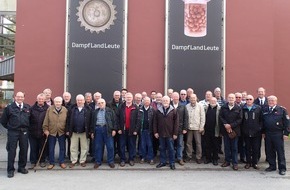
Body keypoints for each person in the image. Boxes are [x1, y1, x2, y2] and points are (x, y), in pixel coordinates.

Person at [1, 92, 30, 178]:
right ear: (15, 97)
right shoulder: (9, 108)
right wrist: (11, 127)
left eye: (21, 97)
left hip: (24, 132)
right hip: (13, 132)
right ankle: (10, 170)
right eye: (18, 96)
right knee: (12, 151)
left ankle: (21, 168)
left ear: (24, 98)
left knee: (24, 150)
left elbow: (30, 119)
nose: (20, 98)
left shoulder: (27, 107)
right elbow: (3, 121)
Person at [262, 95, 289, 175]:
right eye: (269, 100)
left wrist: (286, 133)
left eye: (272, 100)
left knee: (280, 151)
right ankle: (272, 166)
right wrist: (263, 132)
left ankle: (282, 168)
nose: (271, 102)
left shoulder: (282, 110)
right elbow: (263, 122)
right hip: (268, 133)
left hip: (278, 133)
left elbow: (287, 123)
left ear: (276, 101)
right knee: (269, 150)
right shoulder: (265, 110)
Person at [67, 94, 92, 168]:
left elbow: (91, 121)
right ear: (76, 101)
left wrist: (90, 131)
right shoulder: (72, 109)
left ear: (84, 101)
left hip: (84, 132)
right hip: (74, 132)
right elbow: (68, 120)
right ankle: (73, 161)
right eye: (78, 100)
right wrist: (68, 130)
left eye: (81, 100)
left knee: (84, 147)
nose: (79, 101)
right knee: (73, 147)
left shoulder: (89, 109)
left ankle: (82, 161)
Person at [154, 96, 179, 170]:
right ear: (161, 101)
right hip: (161, 133)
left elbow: (176, 123)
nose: (165, 101)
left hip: (170, 134)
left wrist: (175, 133)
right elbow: (155, 122)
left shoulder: (173, 110)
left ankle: (172, 163)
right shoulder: (158, 110)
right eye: (164, 100)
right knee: (162, 148)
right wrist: (155, 132)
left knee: (171, 149)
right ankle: (163, 162)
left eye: (166, 100)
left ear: (169, 101)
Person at [43, 96, 68, 170]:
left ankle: (62, 162)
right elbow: (46, 120)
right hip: (52, 131)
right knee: (51, 148)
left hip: (61, 131)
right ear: (54, 102)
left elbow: (67, 121)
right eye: (56, 102)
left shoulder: (65, 109)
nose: (58, 103)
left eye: (59, 102)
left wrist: (67, 130)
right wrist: (45, 129)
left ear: (61, 102)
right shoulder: (49, 109)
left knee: (62, 148)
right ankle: (51, 163)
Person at [91, 98, 117, 169]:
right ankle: (98, 162)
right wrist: (92, 132)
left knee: (110, 147)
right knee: (98, 147)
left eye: (102, 103)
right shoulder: (95, 112)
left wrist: (114, 130)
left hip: (107, 130)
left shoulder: (110, 111)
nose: (101, 104)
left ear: (105, 103)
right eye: (99, 103)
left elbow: (114, 121)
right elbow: (92, 122)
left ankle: (110, 161)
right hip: (98, 130)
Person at [219, 93, 243, 170]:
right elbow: (221, 117)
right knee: (226, 147)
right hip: (225, 130)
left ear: (235, 99)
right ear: (227, 99)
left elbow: (240, 119)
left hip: (234, 131)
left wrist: (231, 125)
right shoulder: (223, 107)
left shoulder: (238, 108)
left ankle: (235, 163)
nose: (231, 99)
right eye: (229, 98)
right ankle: (227, 161)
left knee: (234, 147)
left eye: (232, 98)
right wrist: (225, 124)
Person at [117, 92, 139, 167]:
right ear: (124, 98)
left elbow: (138, 120)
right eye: (127, 97)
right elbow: (117, 118)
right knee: (122, 145)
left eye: (130, 97)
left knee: (132, 145)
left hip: (132, 131)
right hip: (122, 130)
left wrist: (136, 130)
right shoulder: (121, 106)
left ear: (132, 98)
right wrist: (119, 128)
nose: (128, 99)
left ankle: (131, 159)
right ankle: (122, 160)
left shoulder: (136, 107)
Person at [241, 95, 262, 170]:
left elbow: (261, 120)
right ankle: (248, 162)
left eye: (250, 99)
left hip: (256, 133)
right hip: (246, 132)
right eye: (247, 99)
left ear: (253, 100)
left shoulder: (258, 108)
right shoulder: (243, 108)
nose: (249, 100)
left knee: (256, 148)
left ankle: (255, 163)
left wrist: (259, 128)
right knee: (247, 148)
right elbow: (241, 120)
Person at [29, 93, 49, 168]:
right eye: (39, 99)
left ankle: (42, 161)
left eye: (42, 99)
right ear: (37, 99)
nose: (40, 100)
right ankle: (33, 161)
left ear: (44, 100)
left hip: (43, 132)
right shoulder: (31, 108)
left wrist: (47, 130)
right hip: (32, 132)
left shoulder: (48, 108)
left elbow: (49, 121)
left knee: (43, 147)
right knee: (33, 148)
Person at [185, 94, 205, 164]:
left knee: (198, 143)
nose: (193, 99)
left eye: (194, 98)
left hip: (197, 128)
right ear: (189, 99)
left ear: (196, 98)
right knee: (188, 143)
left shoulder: (200, 106)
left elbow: (203, 117)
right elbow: (185, 118)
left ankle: (198, 157)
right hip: (189, 128)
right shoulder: (187, 106)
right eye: (191, 98)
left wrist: (201, 127)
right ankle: (189, 156)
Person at [171, 92, 188, 165]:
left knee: (179, 144)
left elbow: (186, 118)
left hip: (180, 129)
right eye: (174, 97)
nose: (176, 98)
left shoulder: (183, 106)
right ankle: (172, 158)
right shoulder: (169, 105)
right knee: (171, 144)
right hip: (170, 129)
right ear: (172, 98)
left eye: (177, 97)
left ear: (179, 98)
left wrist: (185, 128)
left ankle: (179, 158)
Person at [137, 97, 155, 165]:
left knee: (150, 145)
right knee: (143, 144)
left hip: (149, 131)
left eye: (148, 101)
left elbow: (154, 121)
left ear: (150, 102)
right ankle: (143, 157)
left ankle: (151, 158)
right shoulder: (140, 109)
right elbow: (137, 120)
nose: (147, 102)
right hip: (142, 130)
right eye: (145, 101)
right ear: (143, 101)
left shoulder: (152, 110)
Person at [204, 97, 220, 166]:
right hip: (207, 130)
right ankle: (208, 158)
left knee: (215, 145)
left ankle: (215, 159)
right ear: (209, 101)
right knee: (207, 145)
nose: (213, 102)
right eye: (211, 101)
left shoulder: (219, 109)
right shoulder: (206, 108)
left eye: (214, 101)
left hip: (215, 130)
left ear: (216, 101)